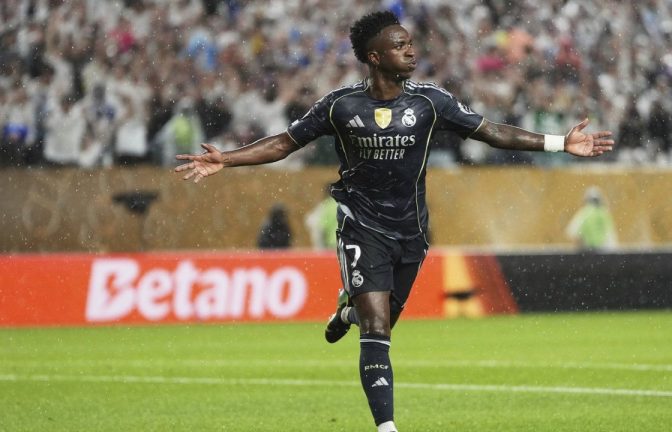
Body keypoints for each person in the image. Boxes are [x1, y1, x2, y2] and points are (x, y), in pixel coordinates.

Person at [174, 11, 614, 432]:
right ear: (374, 57)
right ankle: (387, 425)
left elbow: (489, 130)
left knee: (383, 319)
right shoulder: (340, 106)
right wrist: (226, 160)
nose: (411, 50)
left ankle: (346, 311)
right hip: (362, 225)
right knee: (378, 328)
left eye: (411, 44)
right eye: (399, 45)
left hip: (412, 232)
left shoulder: (429, 101)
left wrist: (559, 143)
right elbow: (284, 143)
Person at [565, 186, 618, 251]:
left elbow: (572, 232)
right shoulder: (604, 214)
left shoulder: (584, 213)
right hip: (604, 253)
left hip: (588, 253)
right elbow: (612, 238)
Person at [305, 183, 339, 250]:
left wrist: (320, 247)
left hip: (332, 243)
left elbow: (320, 227)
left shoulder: (327, 206)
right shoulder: (347, 204)